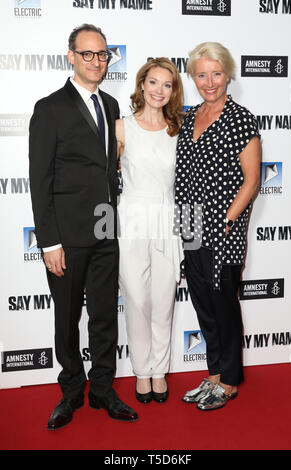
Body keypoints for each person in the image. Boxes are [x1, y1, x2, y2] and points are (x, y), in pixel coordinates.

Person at [29, 24, 138, 430]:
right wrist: (49, 241)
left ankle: (103, 390)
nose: (97, 61)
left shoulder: (111, 105)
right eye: (88, 54)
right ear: (71, 56)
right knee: (67, 317)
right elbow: (40, 180)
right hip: (66, 238)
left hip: (105, 231)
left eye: (103, 54)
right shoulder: (50, 107)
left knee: (105, 316)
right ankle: (72, 389)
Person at [175, 42, 261, 410]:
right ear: (193, 77)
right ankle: (212, 375)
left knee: (223, 303)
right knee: (203, 303)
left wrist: (227, 221)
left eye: (216, 73)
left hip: (223, 229)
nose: (209, 82)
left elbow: (252, 180)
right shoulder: (188, 116)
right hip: (190, 224)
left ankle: (228, 380)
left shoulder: (241, 118)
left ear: (228, 75)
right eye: (201, 74)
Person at [116, 58, 184, 404]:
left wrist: (192, 232)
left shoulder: (179, 128)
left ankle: (159, 370)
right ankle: (141, 372)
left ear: (173, 91)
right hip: (131, 218)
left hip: (168, 218)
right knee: (137, 298)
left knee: (163, 301)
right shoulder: (121, 127)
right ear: (142, 84)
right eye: (153, 82)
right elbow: (99, 176)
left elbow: (188, 184)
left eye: (167, 85)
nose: (159, 90)